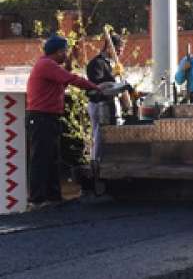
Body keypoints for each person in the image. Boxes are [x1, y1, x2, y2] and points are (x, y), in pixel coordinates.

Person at [26, 36, 99, 207]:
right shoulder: (47, 65)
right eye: (65, 51)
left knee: (52, 157)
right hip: (41, 117)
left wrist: (68, 67)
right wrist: (94, 87)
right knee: (41, 158)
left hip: (48, 117)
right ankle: (37, 198)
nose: (66, 55)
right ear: (58, 51)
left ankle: (53, 196)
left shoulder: (49, 67)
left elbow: (61, 84)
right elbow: (71, 79)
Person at [86, 34, 124, 161]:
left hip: (111, 105)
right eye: (118, 50)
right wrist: (113, 76)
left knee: (111, 136)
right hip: (99, 105)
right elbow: (97, 85)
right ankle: (96, 162)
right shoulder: (96, 63)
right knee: (99, 135)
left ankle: (108, 160)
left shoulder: (111, 64)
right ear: (109, 48)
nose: (120, 53)